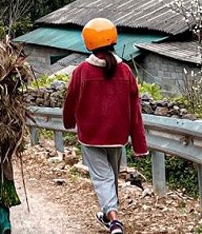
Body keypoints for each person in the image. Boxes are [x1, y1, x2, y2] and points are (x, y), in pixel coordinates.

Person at [62, 18, 148, 234]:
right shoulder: (126, 71)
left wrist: (69, 123)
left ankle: (114, 220)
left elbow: (70, 100)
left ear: (88, 42)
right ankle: (110, 214)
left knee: (102, 177)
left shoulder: (82, 71)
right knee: (110, 176)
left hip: (91, 136)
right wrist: (139, 143)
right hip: (117, 135)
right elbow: (135, 109)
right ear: (113, 40)